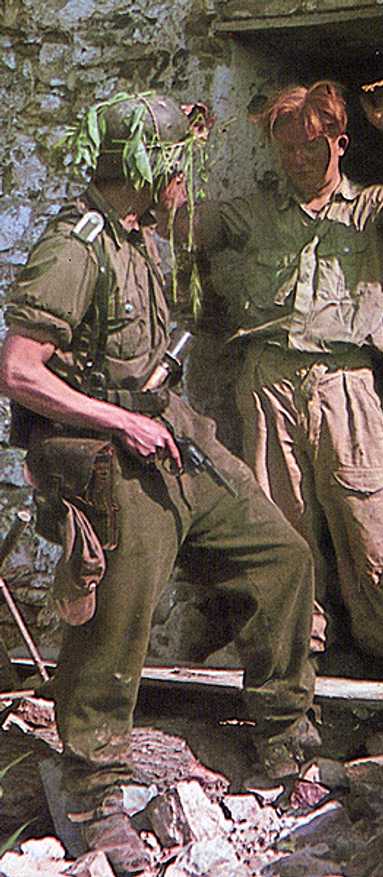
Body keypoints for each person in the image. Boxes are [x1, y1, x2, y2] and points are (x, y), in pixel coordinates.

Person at [0, 93, 320, 875]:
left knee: (281, 553)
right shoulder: (73, 249)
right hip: (107, 456)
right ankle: (92, 797)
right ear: (142, 168)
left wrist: (160, 418)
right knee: (117, 623)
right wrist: (119, 423)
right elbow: (16, 370)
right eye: (176, 163)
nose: (185, 176)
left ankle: (285, 745)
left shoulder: (140, 234)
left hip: (166, 431)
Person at [166, 78, 383, 672]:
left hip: (346, 383)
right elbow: (178, 225)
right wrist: (184, 147)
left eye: (312, 144)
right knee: (279, 525)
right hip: (268, 380)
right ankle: (293, 649)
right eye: (287, 148)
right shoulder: (253, 213)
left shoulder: (371, 209)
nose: (300, 158)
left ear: (340, 142)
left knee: (370, 523)